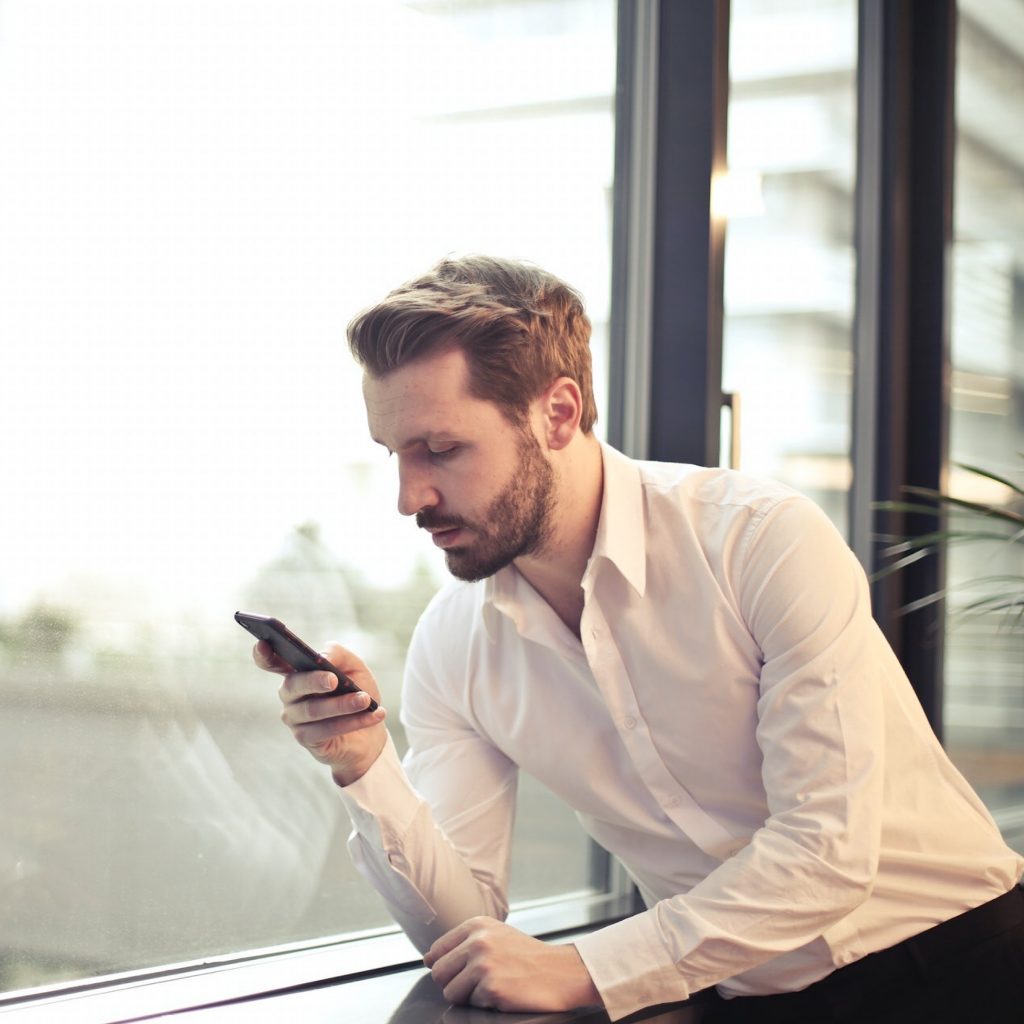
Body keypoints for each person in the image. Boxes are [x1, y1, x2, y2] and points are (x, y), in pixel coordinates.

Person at [254, 255, 1024, 1023]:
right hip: (737, 999)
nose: (408, 497)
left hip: (961, 967)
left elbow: (826, 852)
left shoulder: (761, 541)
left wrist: (592, 967)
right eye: (395, 454)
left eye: (442, 450)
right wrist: (365, 768)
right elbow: (466, 928)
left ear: (558, 413)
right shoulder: (454, 644)